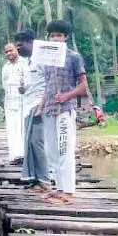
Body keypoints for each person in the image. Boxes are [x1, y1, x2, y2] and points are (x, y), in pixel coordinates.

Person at [41, 20, 89, 204]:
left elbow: (83, 86)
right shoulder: (46, 60)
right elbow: (47, 86)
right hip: (50, 110)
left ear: (65, 37)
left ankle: (68, 191)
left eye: (59, 35)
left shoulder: (73, 57)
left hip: (65, 110)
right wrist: (41, 106)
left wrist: (67, 95)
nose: (55, 39)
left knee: (64, 150)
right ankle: (58, 187)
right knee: (51, 151)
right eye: (52, 35)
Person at [15, 29, 51, 194]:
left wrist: (42, 104)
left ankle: (45, 180)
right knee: (29, 143)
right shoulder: (28, 62)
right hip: (28, 106)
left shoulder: (41, 59)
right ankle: (34, 178)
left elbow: (50, 82)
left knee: (37, 142)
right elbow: (32, 84)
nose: (18, 49)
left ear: (31, 43)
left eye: (20, 45)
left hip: (38, 106)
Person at [2, 43, 26, 163]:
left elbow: (29, 82)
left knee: (22, 129)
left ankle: (23, 155)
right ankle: (14, 156)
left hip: (22, 102)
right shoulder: (5, 67)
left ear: (17, 49)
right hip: (9, 102)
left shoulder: (24, 63)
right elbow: (4, 85)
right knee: (11, 129)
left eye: (10, 50)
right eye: (6, 52)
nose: (9, 53)